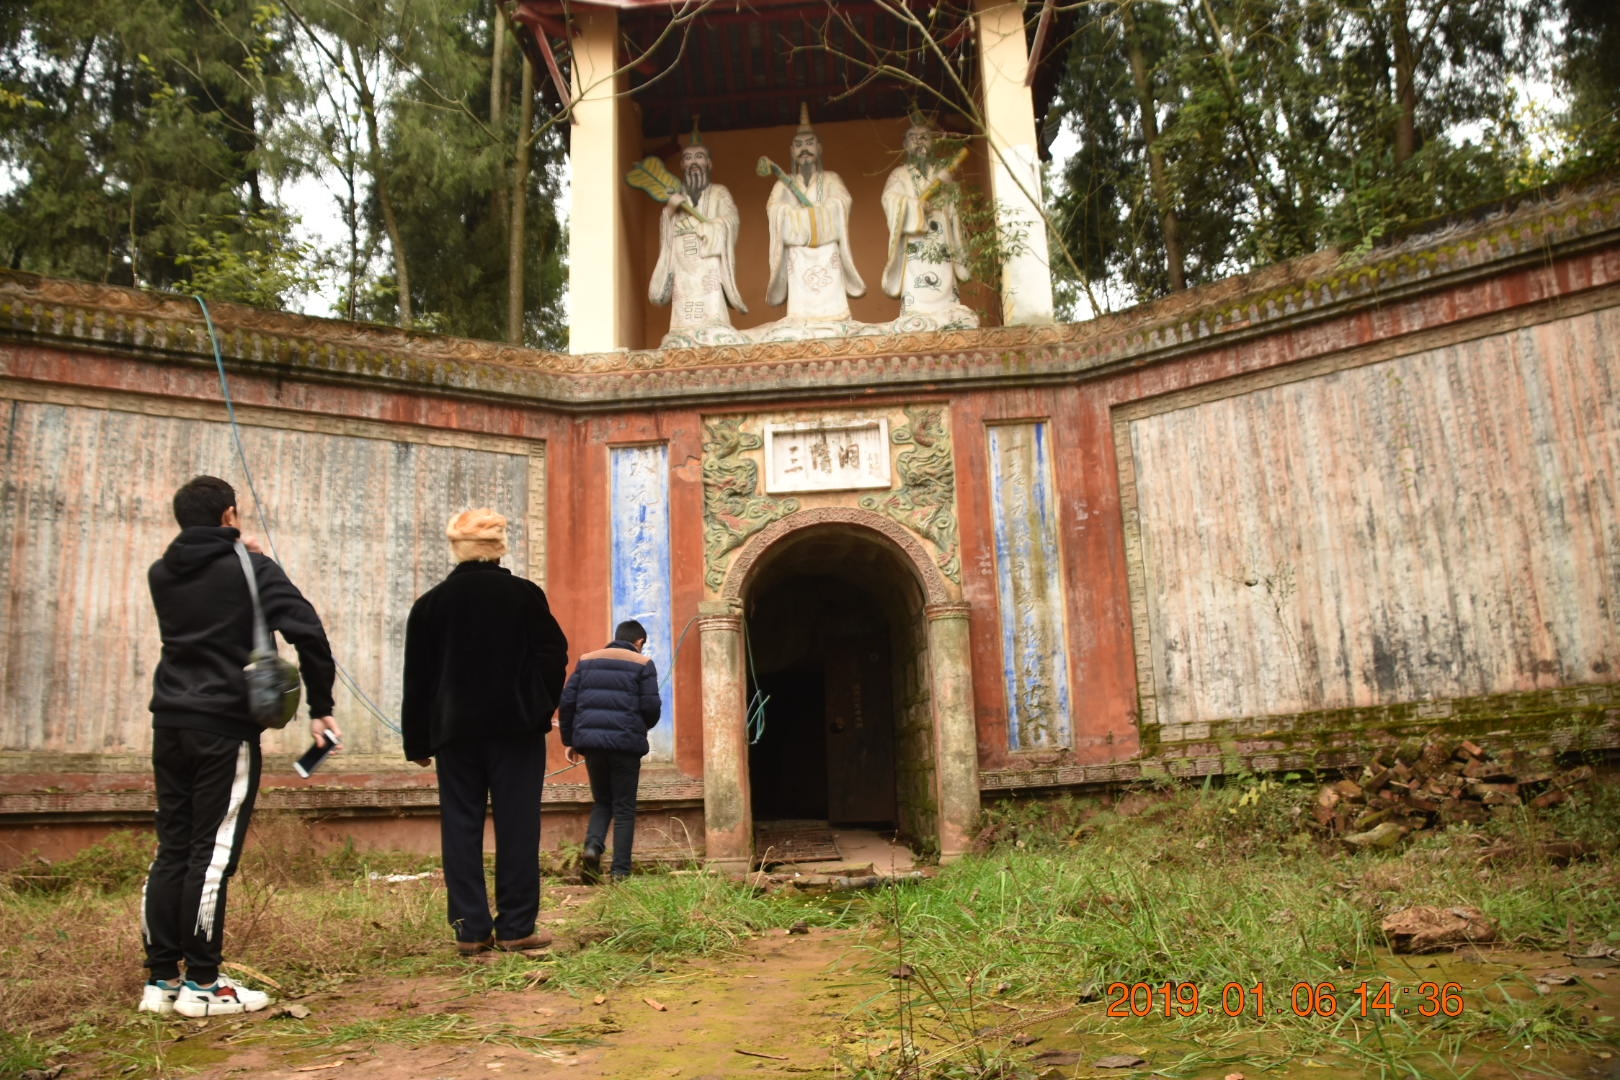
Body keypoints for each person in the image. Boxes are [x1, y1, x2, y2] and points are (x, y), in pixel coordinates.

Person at [141, 475, 339, 1017]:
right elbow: (310, 635)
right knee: (213, 854)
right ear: (230, 514)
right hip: (224, 726)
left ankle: (162, 981)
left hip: (170, 720)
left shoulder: (163, 572)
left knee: (174, 846)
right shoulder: (254, 569)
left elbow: (207, 578)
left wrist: (237, 548)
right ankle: (203, 986)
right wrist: (321, 706)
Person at [402, 508, 568, 955]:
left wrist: (417, 740)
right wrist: (536, 707)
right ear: (499, 548)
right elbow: (553, 656)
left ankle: (470, 930)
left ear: (456, 547)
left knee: (460, 826)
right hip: (515, 730)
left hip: (454, 733)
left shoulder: (430, 605)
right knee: (518, 825)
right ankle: (517, 927)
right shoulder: (524, 596)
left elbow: (417, 678)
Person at [559, 619, 661, 884]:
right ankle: (620, 872)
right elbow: (651, 707)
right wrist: (640, 727)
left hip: (592, 745)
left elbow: (567, 701)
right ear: (639, 642)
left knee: (602, 801)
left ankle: (593, 848)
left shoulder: (587, 660)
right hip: (626, 745)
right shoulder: (643, 664)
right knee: (624, 807)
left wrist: (571, 740)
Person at [764, 103, 866, 322]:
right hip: (797, 252)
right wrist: (801, 219)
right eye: (798, 145)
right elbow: (774, 210)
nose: (804, 149)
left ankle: (836, 315)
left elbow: (842, 202)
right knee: (800, 312)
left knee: (834, 310)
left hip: (827, 250)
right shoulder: (784, 184)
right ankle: (799, 316)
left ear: (819, 148)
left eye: (810, 143)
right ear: (791, 151)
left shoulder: (831, 178)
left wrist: (813, 216)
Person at [649, 122, 748, 347]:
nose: (694, 162)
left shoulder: (719, 192)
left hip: (709, 259)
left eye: (699, 157)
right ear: (682, 164)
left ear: (709, 163)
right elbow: (667, 225)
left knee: (712, 308)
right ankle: (682, 329)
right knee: (682, 314)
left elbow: (731, 219)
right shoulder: (676, 196)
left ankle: (714, 323)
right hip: (682, 262)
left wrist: (710, 227)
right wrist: (670, 210)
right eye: (688, 158)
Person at [880, 116, 978, 330]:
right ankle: (914, 311)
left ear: (932, 142)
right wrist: (914, 207)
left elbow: (954, 204)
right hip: (914, 244)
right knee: (915, 299)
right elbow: (889, 200)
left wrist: (948, 194)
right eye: (913, 138)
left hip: (941, 238)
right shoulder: (900, 175)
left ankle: (949, 308)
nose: (919, 142)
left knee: (945, 281)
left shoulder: (942, 173)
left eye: (924, 137)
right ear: (905, 145)